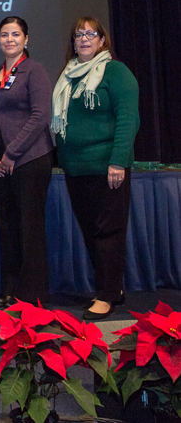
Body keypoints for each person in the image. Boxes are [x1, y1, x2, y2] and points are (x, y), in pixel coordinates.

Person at [51, 16, 139, 320]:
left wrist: (117, 161)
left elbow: (128, 120)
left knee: (108, 231)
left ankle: (106, 295)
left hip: (107, 167)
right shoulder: (69, 75)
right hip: (76, 168)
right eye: (78, 35)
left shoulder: (116, 72)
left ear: (102, 40)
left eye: (91, 34)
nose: (84, 39)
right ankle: (112, 287)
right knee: (90, 231)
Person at [0, 17, 54, 307]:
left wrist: (12, 153)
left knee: (29, 228)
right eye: (4, 35)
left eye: (15, 34)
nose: (9, 39)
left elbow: (41, 117)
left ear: (26, 39)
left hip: (30, 160)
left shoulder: (34, 71)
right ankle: (10, 289)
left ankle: (32, 295)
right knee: (7, 227)